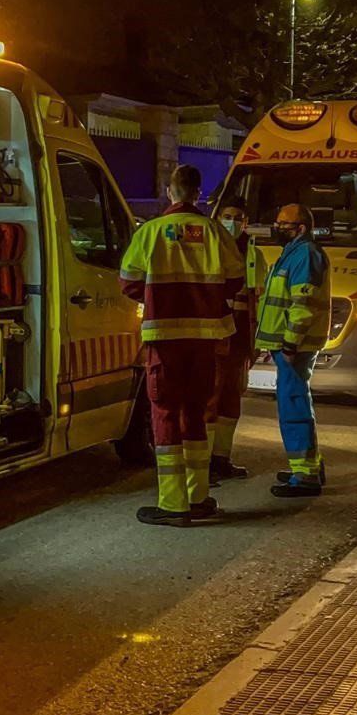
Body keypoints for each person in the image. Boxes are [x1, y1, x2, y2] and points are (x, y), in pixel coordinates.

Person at [120, 165, 245, 526]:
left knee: (164, 414)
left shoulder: (151, 232)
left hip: (165, 338)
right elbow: (235, 280)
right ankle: (198, 496)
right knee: (195, 413)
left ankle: (173, 504)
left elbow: (128, 282)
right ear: (198, 193)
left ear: (169, 191)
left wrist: (158, 297)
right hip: (205, 338)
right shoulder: (215, 231)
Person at [254, 204, 332, 497]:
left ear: (300, 228)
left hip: (295, 347)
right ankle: (308, 467)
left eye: (283, 224)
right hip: (290, 346)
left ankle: (305, 475)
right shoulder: (294, 253)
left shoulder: (305, 254)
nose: (277, 228)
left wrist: (290, 343)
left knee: (294, 406)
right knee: (295, 403)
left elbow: (303, 305)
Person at [207, 199, 256, 483]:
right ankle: (203, 464)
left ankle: (221, 458)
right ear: (218, 218)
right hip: (215, 334)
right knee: (210, 399)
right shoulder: (209, 246)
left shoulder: (252, 252)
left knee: (230, 400)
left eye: (239, 218)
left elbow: (256, 297)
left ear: (246, 222)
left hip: (240, 337)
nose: (233, 222)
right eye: (228, 216)